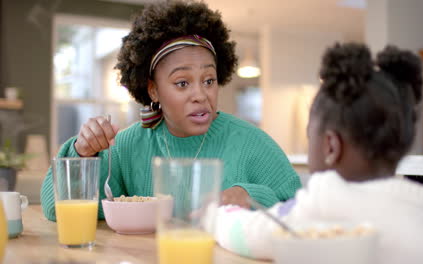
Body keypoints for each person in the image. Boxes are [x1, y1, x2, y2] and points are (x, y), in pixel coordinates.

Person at [40, 0, 301, 221]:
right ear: (153, 90)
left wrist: (252, 197)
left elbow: (300, 209)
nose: (200, 95)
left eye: (208, 80)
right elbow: (57, 210)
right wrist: (81, 155)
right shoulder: (126, 146)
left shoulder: (251, 143)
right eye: (182, 83)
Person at [209, 43, 423, 263]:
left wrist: (216, 214)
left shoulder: (322, 204)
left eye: (311, 135)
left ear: (331, 146)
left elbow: (246, 232)